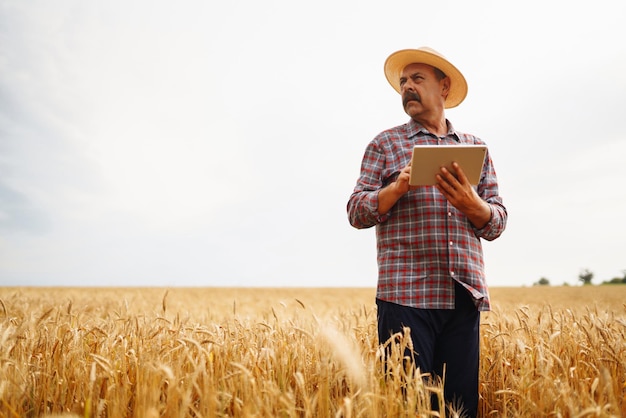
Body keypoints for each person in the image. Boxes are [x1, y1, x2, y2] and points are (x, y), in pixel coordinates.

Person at [347, 47, 507, 417]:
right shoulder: (385, 144)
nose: (407, 87)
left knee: (459, 409)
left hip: (462, 294)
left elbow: (497, 220)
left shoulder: (474, 148)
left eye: (417, 79)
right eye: (403, 82)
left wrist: (474, 206)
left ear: (444, 87)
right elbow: (356, 210)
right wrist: (396, 189)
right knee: (409, 408)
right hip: (405, 296)